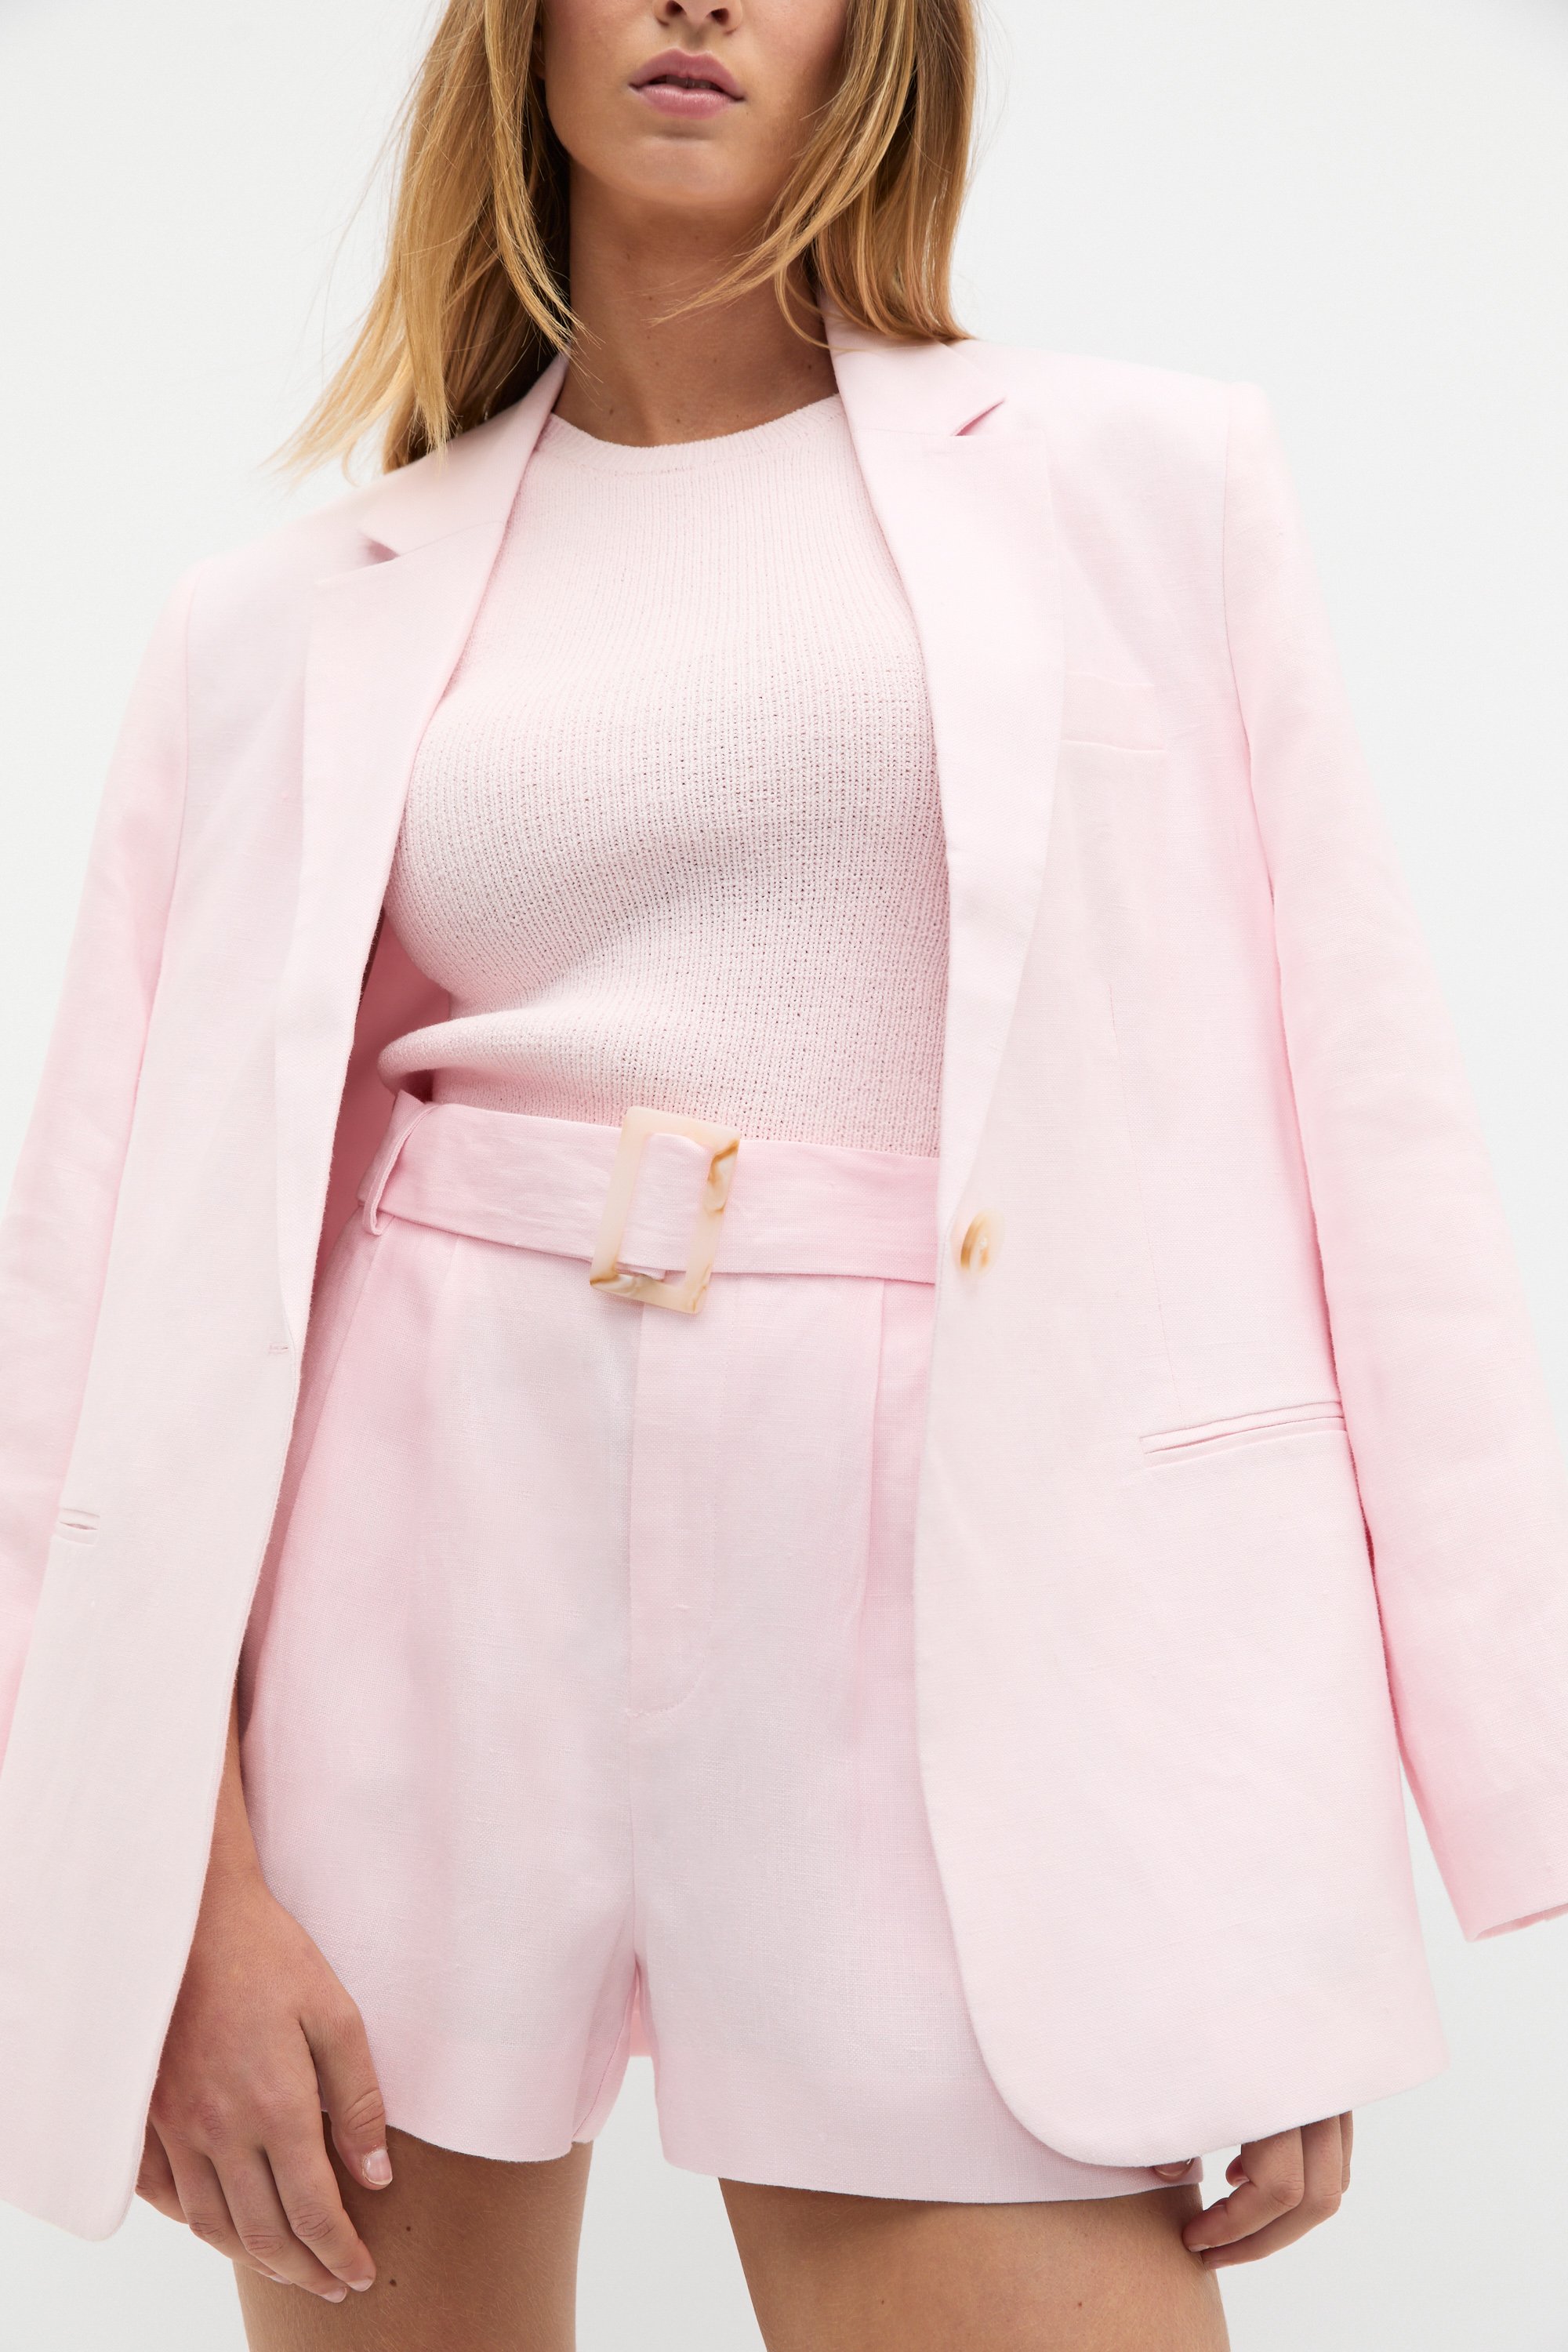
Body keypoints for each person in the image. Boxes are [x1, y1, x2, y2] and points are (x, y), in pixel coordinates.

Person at [2, 0, 1566, 2344]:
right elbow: (111, 1297)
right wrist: (173, 1891)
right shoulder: (280, 621)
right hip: (420, 1588)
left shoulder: (1149, 486)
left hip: (947, 1624)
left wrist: (1276, 1896)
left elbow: (1367, 1153)